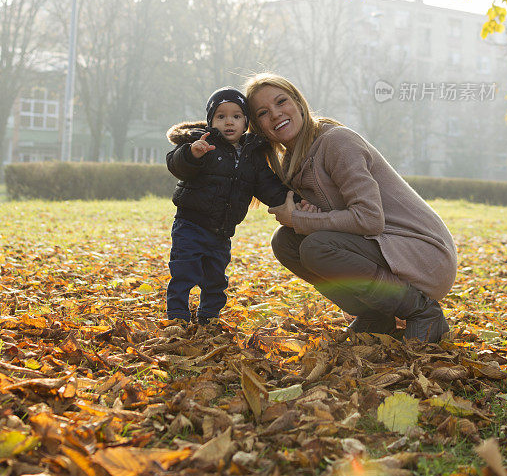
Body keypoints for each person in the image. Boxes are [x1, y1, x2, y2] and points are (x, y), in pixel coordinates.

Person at [245, 74, 457, 343]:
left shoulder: (337, 142)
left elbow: (369, 219)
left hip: (423, 255)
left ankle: (422, 311)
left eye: (281, 101)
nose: (275, 114)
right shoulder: (291, 162)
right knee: (286, 243)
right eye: (263, 112)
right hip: (383, 247)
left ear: (298, 103)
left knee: (316, 247)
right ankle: (375, 315)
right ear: (258, 126)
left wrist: (300, 219)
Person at [165, 86, 307, 326]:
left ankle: (208, 318)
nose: (229, 122)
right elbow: (177, 165)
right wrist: (192, 154)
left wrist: (293, 200)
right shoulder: (203, 145)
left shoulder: (251, 156)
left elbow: (268, 186)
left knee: (216, 278)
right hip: (190, 225)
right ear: (211, 121)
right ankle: (177, 318)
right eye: (221, 117)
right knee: (184, 272)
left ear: (246, 122)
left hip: (221, 232)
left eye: (236, 116)